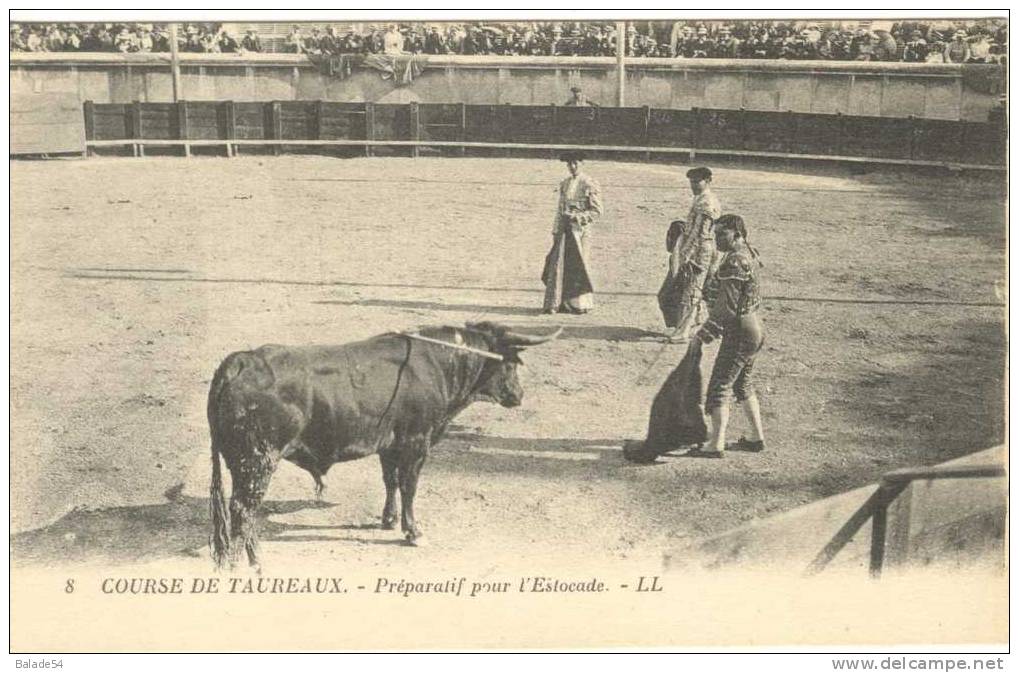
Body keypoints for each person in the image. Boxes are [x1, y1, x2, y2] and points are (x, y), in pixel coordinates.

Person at [687, 214, 766, 458]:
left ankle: (715, 444)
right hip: (753, 327)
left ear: (738, 235)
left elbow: (726, 309)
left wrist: (703, 334)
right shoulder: (746, 253)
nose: (717, 239)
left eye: (723, 234)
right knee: (743, 384)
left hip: (740, 330)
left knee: (720, 385)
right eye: (716, 233)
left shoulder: (734, 262)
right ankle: (755, 438)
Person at [657, 166, 722, 341]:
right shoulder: (701, 199)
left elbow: (699, 234)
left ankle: (683, 332)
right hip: (698, 250)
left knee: (690, 291)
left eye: (696, 182)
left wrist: (685, 255)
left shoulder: (706, 202)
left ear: (708, 181)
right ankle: (691, 325)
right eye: (691, 182)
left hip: (699, 253)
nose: (693, 185)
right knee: (689, 289)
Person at [541, 152, 603, 314]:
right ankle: (563, 303)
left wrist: (577, 217)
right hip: (564, 231)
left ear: (582, 163)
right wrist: (556, 229)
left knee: (579, 265)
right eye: (569, 164)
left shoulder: (589, 183)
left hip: (580, 231)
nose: (572, 167)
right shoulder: (564, 184)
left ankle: (580, 304)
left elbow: (597, 211)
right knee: (561, 264)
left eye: (575, 163)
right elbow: (560, 210)